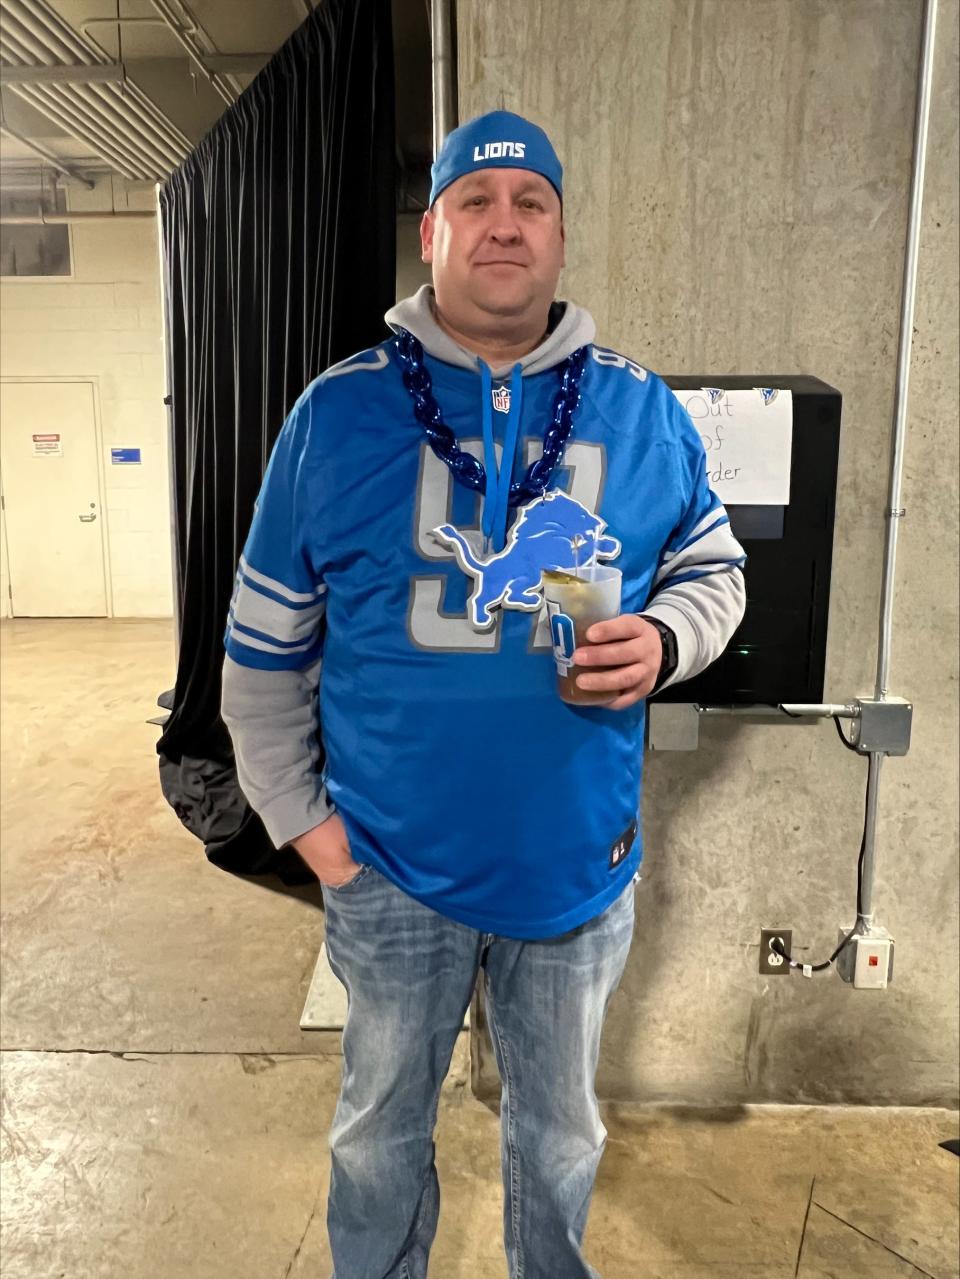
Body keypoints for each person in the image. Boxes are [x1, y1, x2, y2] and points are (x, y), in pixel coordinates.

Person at [221, 110, 746, 1279]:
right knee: (376, 1137)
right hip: (390, 868)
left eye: (531, 204)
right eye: (477, 201)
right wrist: (306, 827)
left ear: (560, 240)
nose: (503, 224)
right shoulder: (334, 415)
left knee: (560, 1134)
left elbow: (718, 572)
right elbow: (259, 655)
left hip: (574, 863)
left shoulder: (642, 410)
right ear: (432, 232)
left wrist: (666, 639)